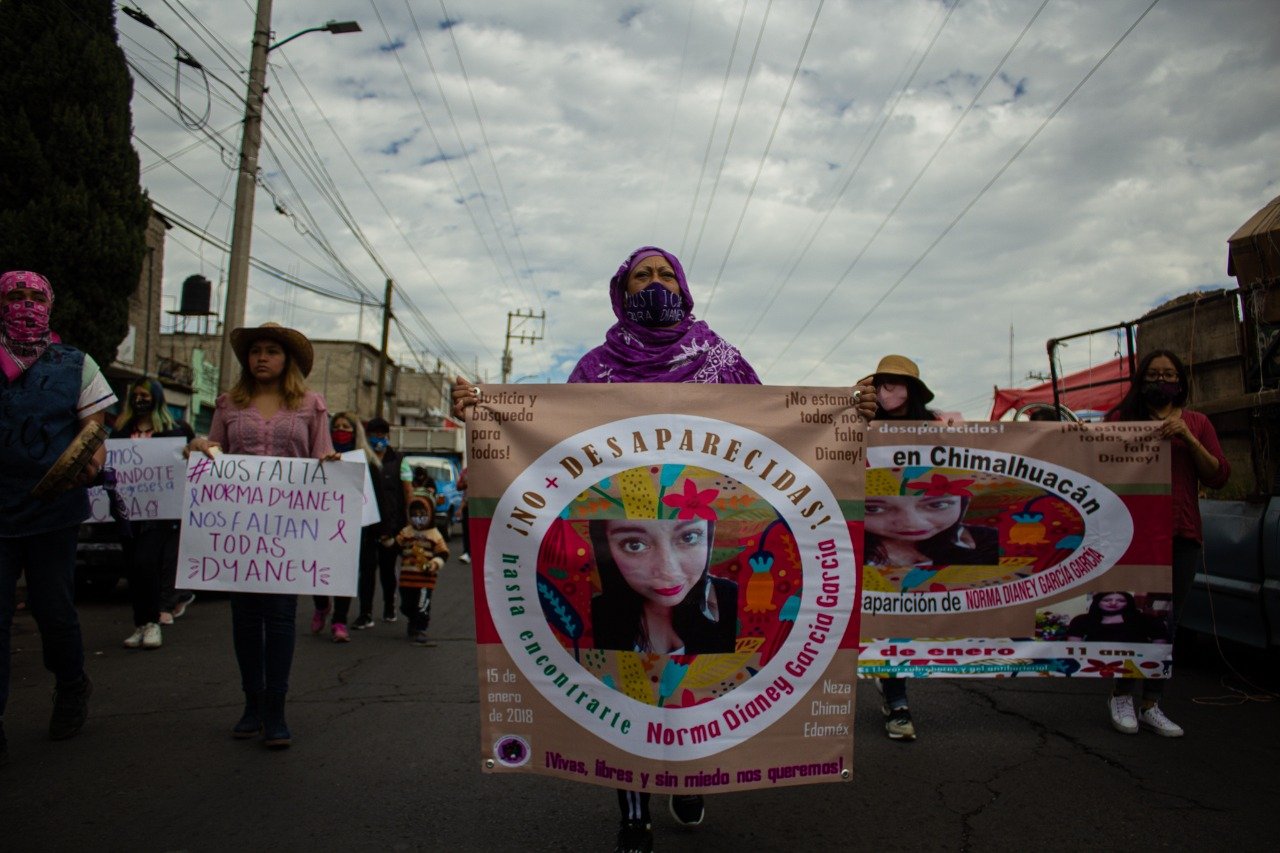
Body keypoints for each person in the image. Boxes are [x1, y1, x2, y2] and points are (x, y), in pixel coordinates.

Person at [454, 246, 877, 853]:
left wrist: (845, 413)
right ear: (620, 291)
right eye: (640, 276)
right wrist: (482, 418)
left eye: (664, 275)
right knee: (624, 681)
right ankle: (632, 812)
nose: (654, 284)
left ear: (685, 287)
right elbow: (554, 447)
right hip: (623, 522)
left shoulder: (723, 360)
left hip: (698, 519)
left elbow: (777, 433)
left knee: (701, 676)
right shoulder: (595, 369)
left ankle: (690, 771)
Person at [187, 322, 336, 749]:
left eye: (271, 350)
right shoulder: (229, 405)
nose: (262, 357)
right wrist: (200, 447)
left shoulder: (311, 405)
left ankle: (276, 711)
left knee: (281, 618)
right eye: (255, 351)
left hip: (289, 532)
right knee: (246, 619)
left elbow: (320, 455)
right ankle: (251, 704)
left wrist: (332, 462)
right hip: (239, 531)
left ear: (287, 359)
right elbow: (215, 454)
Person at [0, 270, 115, 764]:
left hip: (54, 510)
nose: (26, 304)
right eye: (14, 296)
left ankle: (71, 685)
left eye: (34, 296)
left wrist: (89, 462)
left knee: (54, 611)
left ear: (50, 304)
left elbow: (94, 429)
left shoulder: (76, 363)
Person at [1102, 349, 1228, 737]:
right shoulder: (1121, 421)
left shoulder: (1197, 423)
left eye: (1169, 374)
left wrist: (1187, 437)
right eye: (1154, 374)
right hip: (1133, 538)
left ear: (1181, 381)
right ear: (1142, 381)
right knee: (1131, 616)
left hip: (1181, 534)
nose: (1162, 381)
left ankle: (1152, 703)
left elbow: (1218, 475)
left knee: (1166, 623)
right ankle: (1121, 695)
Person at [862, 354, 945, 743]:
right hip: (870, 538)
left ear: (912, 391)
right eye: (880, 384)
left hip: (924, 541)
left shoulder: (938, 429)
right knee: (879, 617)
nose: (885, 392)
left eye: (893, 384)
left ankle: (894, 693)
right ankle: (893, 698)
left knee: (907, 616)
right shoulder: (860, 424)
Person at [113, 377, 195, 650]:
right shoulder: (121, 432)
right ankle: (142, 623)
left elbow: (189, 461)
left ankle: (152, 623)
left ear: (157, 399)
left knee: (146, 563)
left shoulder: (173, 432)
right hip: (128, 514)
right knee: (133, 569)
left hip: (159, 514)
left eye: (145, 395)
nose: (140, 400)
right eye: (135, 395)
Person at [589, 518, 735, 654]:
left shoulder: (736, 601)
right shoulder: (588, 619)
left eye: (689, 537)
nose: (668, 572)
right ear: (605, 548)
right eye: (634, 545)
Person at [310, 411, 372, 643]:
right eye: (338, 426)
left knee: (344, 574)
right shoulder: (316, 457)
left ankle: (339, 621)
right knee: (318, 570)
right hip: (319, 526)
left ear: (355, 433)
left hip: (351, 530)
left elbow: (373, 499)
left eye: (347, 427)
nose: (342, 430)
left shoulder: (365, 460)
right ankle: (321, 605)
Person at [352, 416, 405, 630]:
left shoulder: (398, 460)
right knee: (366, 571)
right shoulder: (362, 459)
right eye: (373, 434)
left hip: (392, 526)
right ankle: (365, 613)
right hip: (367, 526)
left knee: (387, 570)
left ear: (387, 435)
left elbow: (406, 493)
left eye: (381, 433)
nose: (378, 437)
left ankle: (390, 606)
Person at [864, 492, 999, 571]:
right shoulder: (846, 554)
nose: (912, 524)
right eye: (873, 509)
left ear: (962, 501)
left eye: (937, 505)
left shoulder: (993, 542)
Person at [396, 498, 449, 645]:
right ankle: (413, 620)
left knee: (422, 605)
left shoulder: (434, 534)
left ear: (429, 514)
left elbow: (443, 552)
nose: (418, 517)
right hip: (407, 577)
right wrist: (389, 542)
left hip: (425, 579)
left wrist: (435, 564)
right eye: (414, 514)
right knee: (406, 605)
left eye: (422, 514)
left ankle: (421, 629)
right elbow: (396, 546)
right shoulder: (406, 532)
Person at [1065, 592, 1170, 644]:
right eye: (1107, 600)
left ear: (1128, 603)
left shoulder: (1146, 620)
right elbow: (1074, 646)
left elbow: (1160, 647)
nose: (1113, 603)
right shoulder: (1081, 620)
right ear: (1097, 602)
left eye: (1121, 601)